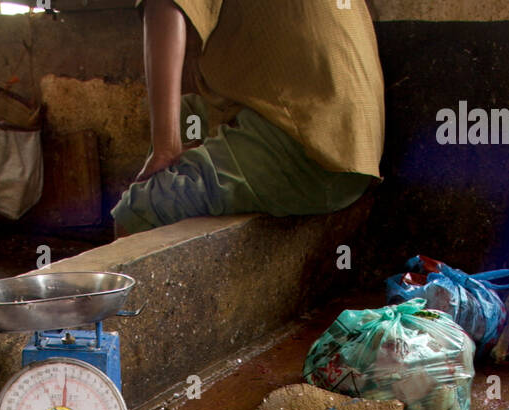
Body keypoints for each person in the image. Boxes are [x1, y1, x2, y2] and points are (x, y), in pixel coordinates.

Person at [113, 0, 385, 236]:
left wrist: (165, 148)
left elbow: (164, 7)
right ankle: (184, 189)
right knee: (188, 114)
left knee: (137, 215)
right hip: (356, 142)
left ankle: (164, 200)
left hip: (310, 151)